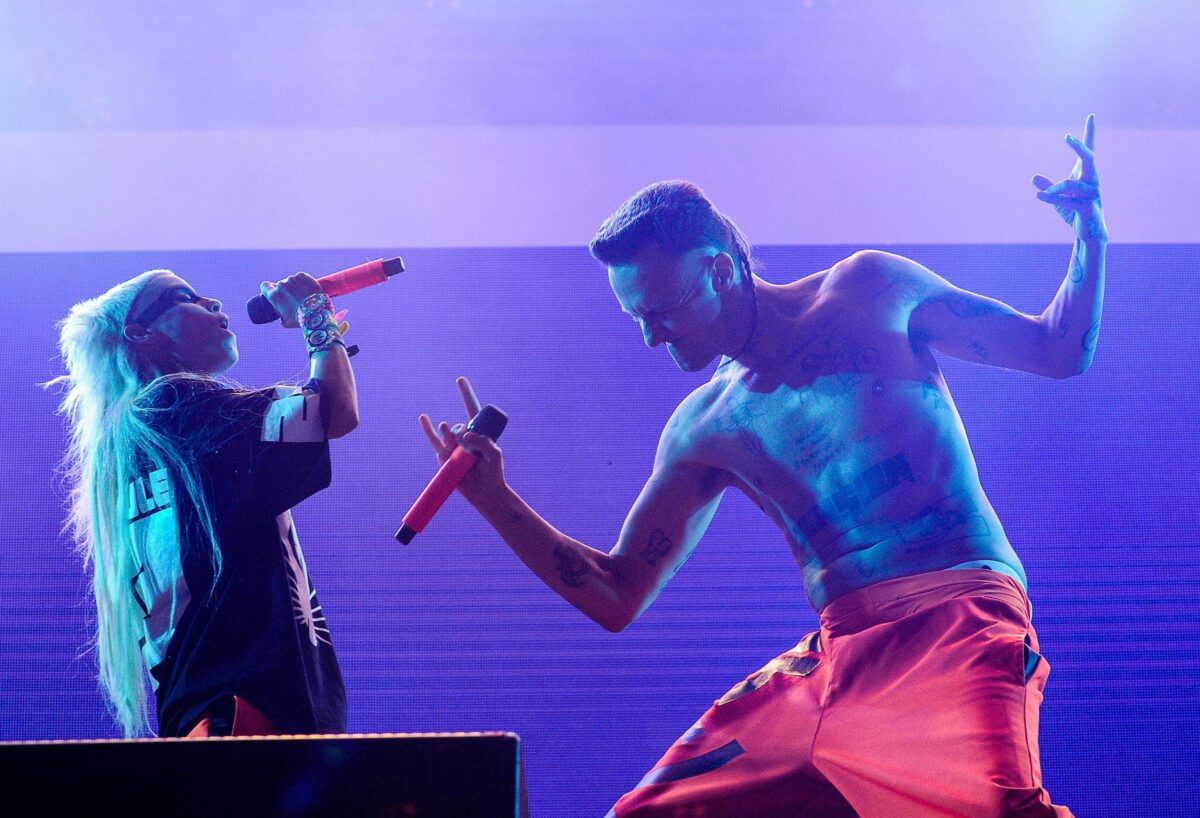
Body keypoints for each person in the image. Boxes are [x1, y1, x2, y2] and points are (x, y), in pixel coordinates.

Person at [421, 117, 1104, 816]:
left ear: (719, 269)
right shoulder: (705, 425)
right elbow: (615, 594)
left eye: (662, 311)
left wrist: (1090, 237)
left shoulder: (867, 292)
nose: (652, 336)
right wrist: (494, 497)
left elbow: (1056, 349)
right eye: (636, 319)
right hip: (836, 659)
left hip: (955, 618)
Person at [52, 269, 358, 737]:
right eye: (184, 297)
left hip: (212, 715)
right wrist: (315, 313)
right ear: (141, 333)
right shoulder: (176, 402)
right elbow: (333, 410)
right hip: (245, 714)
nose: (212, 302)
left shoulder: (139, 442)